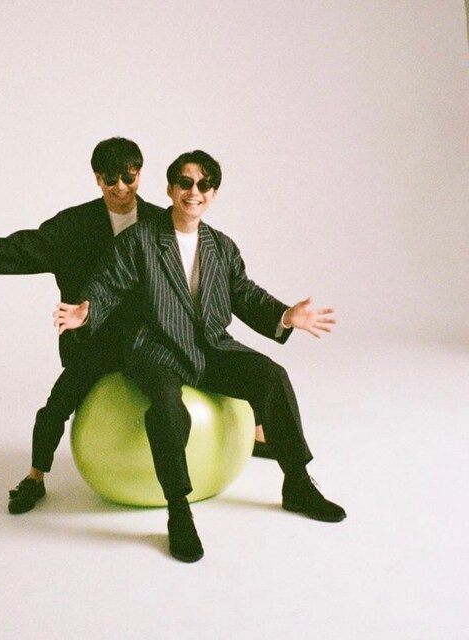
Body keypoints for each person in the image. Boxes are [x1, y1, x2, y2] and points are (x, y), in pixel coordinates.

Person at [55, 149, 346, 563]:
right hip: (156, 347)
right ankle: (178, 509)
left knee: (271, 376)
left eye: (205, 185)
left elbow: (245, 293)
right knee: (167, 407)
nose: (195, 192)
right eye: (186, 183)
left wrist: (285, 315)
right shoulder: (141, 239)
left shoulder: (221, 246)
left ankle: (297, 483)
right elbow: (108, 282)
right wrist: (87, 310)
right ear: (170, 188)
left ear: (214, 193)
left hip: (210, 346)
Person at [0, 137, 165, 513]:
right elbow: (23, 248)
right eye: (110, 179)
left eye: (128, 177)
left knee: (182, 388)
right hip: (92, 341)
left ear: (139, 174)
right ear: (97, 179)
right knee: (55, 408)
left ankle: (248, 436)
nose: (120, 187)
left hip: (148, 340)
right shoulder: (73, 225)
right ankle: (35, 477)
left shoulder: (160, 223)